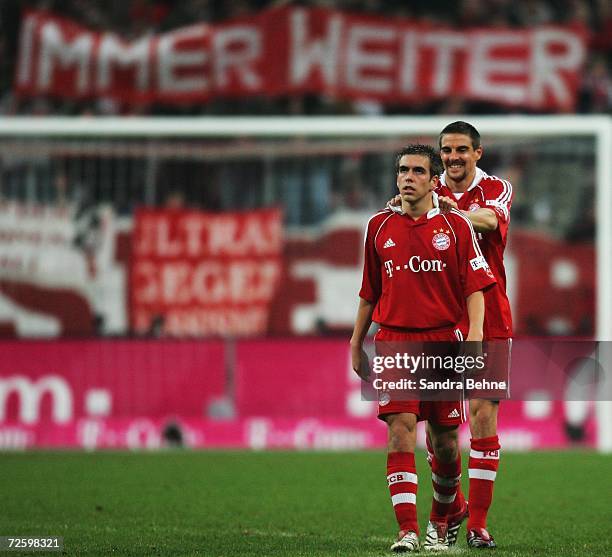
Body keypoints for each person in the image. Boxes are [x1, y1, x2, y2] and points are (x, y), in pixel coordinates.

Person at [350, 144, 496, 552]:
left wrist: (476, 337)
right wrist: (356, 338)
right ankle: (407, 531)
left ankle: (440, 518)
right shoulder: (378, 227)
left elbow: (476, 289)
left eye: (417, 171)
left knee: (446, 443)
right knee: (400, 431)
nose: (407, 177)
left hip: (443, 342)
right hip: (395, 340)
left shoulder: (456, 227)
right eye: (402, 171)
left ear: (435, 181)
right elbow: (369, 291)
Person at [389, 122, 513, 548]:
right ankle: (451, 506)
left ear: (478, 152)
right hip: (439, 319)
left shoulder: (496, 187)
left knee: (483, 414)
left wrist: (440, 207)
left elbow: (491, 223)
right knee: (440, 433)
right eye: (447, 150)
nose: (454, 157)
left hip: (489, 315)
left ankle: (477, 523)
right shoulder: (426, 184)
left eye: (462, 149)